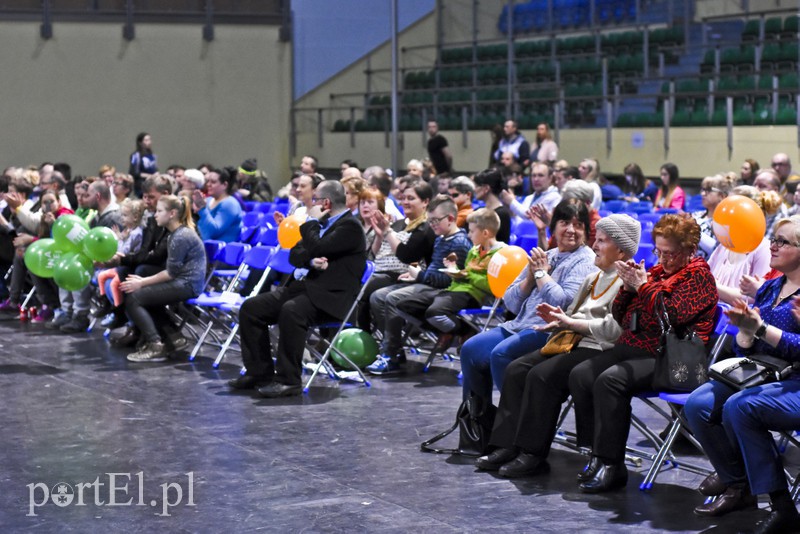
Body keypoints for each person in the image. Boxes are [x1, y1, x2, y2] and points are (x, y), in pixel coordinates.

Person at [475, 215, 640, 477]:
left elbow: (613, 332)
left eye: (602, 241)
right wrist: (556, 322)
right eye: (595, 239)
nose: (595, 245)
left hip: (599, 349)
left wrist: (569, 323)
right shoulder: (594, 277)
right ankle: (506, 444)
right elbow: (572, 316)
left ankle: (532, 453)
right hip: (573, 342)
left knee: (541, 376)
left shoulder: (627, 282)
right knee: (517, 369)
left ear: (621, 249)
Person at [569, 214, 718, 493]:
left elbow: (670, 317)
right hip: (636, 349)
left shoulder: (700, 277)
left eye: (669, 253)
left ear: (690, 250)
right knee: (581, 375)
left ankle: (613, 466)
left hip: (671, 360)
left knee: (610, 380)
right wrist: (626, 289)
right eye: (658, 251)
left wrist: (643, 287)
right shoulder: (657, 273)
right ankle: (596, 453)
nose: (662, 259)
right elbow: (623, 318)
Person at [684, 215, 800, 533]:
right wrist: (746, 335)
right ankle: (739, 486)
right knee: (698, 404)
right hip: (761, 372)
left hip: (795, 381)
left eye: (782, 241)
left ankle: (781, 505)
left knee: (741, 406)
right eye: (773, 239)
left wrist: (761, 328)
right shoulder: (771, 287)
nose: (772, 245)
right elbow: (745, 351)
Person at [227, 180, 367, 397]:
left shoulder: (350, 227)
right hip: (305, 289)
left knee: (292, 311)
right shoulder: (322, 225)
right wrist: (311, 261)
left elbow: (317, 246)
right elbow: (295, 254)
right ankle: (259, 372)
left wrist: (310, 221)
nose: (312, 204)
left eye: (315, 200)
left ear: (325, 203)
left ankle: (288, 380)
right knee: (251, 308)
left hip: (330, 298)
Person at [459, 199, 598, 405]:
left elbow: (563, 303)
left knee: (501, 354)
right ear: (554, 226)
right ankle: (478, 423)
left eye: (578, 225)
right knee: (470, 350)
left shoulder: (585, 260)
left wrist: (541, 273)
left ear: (586, 231)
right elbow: (511, 303)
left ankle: (514, 422)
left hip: (551, 331)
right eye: (565, 223)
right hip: (519, 325)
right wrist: (529, 279)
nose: (571, 230)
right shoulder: (546, 255)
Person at [366, 195, 472, 375]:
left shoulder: (459, 243)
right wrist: (416, 276)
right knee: (377, 296)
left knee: (392, 298)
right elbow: (434, 272)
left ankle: (389, 355)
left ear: (451, 219)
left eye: (436, 221)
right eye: (430, 221)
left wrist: (420, 275)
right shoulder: (441, 238)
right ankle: (396, 349)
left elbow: (449, 280)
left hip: (445, 291)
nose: (432, 225)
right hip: (429, 284)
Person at [120, 195, 205, 362]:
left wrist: (141, 282)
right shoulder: (175, 234)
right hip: (182, 281)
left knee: (135, 298)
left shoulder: (180, 236)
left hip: (187, 284)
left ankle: (155, 344)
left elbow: (171, 273)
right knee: (144, 295)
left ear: (172, 213)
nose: (155, 215)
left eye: (159, 211)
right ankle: (173, 337)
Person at [357, 180, 436, 330]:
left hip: (403, 275)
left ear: (425, 202)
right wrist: (380, 236)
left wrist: (387, 232)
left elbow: (409, 257)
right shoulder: (396, 224)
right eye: (403, 198)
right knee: (354, 286)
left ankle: (382, 342)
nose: (405, 202)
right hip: (381, 271)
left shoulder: (426, 227)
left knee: (366, 292)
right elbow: (374, 255)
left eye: (411, 198)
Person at [424, 208, 504, 352]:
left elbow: (493, 284)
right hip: (458, 290)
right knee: (418, 304)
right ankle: (463, 331)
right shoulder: (474, 250)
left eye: (472, 231)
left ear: (485, 233)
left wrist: (467, 275)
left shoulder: (501, 254)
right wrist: (454, 271)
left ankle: (466, 331)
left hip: (476, 296)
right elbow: (466, 274)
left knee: (434, 311)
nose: (468, 235)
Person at [708, 186, 780, 305]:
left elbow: (755, 297)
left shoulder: (764, 248)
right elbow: (705, 276)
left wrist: (715, 287)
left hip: (738, 320)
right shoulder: (725, 243)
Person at [96, 198, 145, 313]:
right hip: (122, 264)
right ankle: (105, 302)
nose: (122, 218)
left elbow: (124, 251)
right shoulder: (130, 230)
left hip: (128, 266)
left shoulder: (136, 233)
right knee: (101, 276)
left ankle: (118, 310)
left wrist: (119, 239)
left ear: (135, 217)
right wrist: (122, 237)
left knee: (113, 284)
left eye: (125, 215)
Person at [192, 168, 243, 243]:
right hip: (203, 246)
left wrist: (202, 209)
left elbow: (213, 232)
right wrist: (196, 212)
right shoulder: (208, 200)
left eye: (213, 182)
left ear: (225, 185)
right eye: (208, 181)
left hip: (221, 251)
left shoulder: (230, 204)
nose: (208, 184)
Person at [692, 173, 735, 258]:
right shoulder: (695, 216)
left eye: (708, 190)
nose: (703, 194)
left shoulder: (726, 221)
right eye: (703, 190)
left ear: (722, 196)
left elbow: (718, 251)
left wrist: (693, 230)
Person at [472, 168, 511, 244]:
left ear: (486, 188)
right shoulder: (479, 210)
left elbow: (501, 243)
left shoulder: (502, 214)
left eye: (477, 186)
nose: (474, 190)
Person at [754, 169, 790, 236]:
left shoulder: (779, 211)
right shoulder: (754, 207)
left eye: (762, 186)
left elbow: (767, 241)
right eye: (754, 185)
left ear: (775, 190)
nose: (756, 189)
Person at [358, 188, 385, 260]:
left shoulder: (385, 226)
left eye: (370, 202)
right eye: (362, 202)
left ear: (379, 205)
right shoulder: (355, 226)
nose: (365, 205)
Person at [129, 132, 157, 197]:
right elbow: (133, 172)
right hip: (141, 185)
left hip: (152, 184)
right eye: (146, 140)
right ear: (140, 142)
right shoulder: (135, 156)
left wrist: (156, 173)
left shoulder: (151, 155)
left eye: (150, 140)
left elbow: (153, 168)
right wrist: (149, 175)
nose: (149, 142)